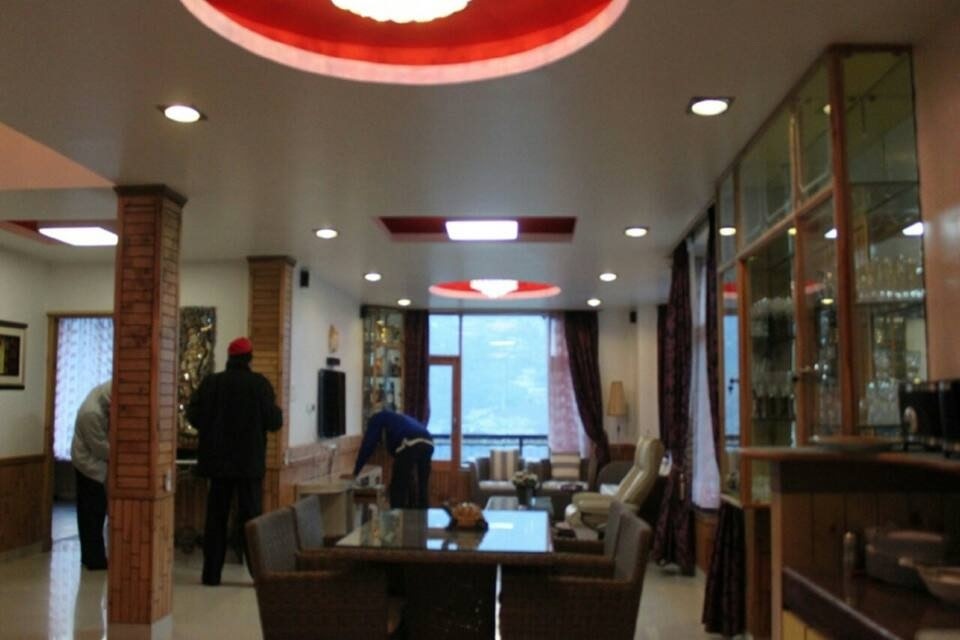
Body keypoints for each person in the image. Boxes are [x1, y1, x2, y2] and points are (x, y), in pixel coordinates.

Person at [187, 336, 283, 586]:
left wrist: (213, 426)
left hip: (217, 465)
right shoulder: (259, 385)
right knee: (251, 520)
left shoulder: (212, 383)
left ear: (230, 358)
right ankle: (258, 576)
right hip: (249, 465)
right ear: (249, 359)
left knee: (215, 518)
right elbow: (275, 421)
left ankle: (211, 575)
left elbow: (193, 415)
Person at [71, 379, 112, 571]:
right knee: (92, 515)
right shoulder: (92, 412)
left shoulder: (101, 397)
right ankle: (94, 559)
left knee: (93, 513)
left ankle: (92, 556)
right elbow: (100, 448)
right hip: (88, 466)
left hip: (92, 465)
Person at [354, 410, 433, 509]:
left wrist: (356, 472)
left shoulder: (377, 419)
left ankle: (396, 515)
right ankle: (422, 516)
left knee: (397, 489)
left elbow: (367, 445)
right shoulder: (396, 419)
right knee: (422, 488)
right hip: (429, 442)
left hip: (410, 442)